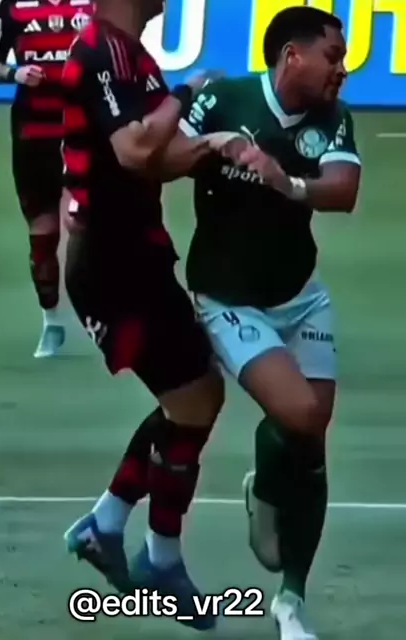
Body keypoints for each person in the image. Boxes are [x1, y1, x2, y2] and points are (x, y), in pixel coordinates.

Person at [182, 6, 362, 639]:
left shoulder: (332, 118)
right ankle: (264, 480)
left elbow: (343, 189)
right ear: (293, 56)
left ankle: (291, 601)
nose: (342, 70)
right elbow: (161, 153)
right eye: (333, 56)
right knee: (302, 416)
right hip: (228, 297)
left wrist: (289, 184)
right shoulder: (226, 98)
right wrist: (209, 142)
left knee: (311, 443)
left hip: (300, 295)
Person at [60, 0, 224, 630]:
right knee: (194, 399)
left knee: (195, 397)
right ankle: (156, 556)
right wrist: (187, 92)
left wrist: (221, 144)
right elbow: (134, 150)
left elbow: (165, 156)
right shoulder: (100, 49)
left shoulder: (134, 57)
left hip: (135, 254)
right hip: (113, 263)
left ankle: (111, 527)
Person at [0, 0, 94, 358]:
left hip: (87, 129)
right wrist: (14, 74)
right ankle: (52, 321)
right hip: (34, 134)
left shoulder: (95, 5)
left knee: (91, 225)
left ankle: (103, 316)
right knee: (43, 235)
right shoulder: (15, 6)